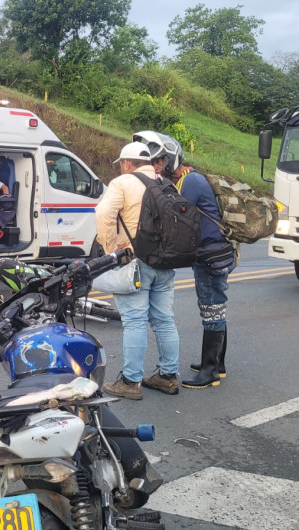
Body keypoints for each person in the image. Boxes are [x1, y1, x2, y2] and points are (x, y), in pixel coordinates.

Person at [134, 131, 235, 390]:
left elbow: (173, 217)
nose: (156, 166)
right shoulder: (189, 178)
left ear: (171, 159)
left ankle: (210, 372)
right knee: (215, 307)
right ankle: (217, 364)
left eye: (159, 161)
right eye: (153, 162)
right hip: (212, 251)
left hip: (210, 254)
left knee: (212, 309)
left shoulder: (189, 182)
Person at [95, 142, 181, 400]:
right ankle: (167, 376)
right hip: (164, 261)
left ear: (126, 163)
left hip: (134, 261)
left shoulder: (122, 183)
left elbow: (103, 213)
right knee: (164, 320)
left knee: (134, 321)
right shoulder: (166, 183)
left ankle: (131, 381)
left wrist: (111, 248)